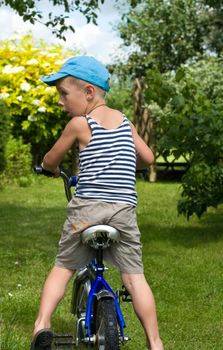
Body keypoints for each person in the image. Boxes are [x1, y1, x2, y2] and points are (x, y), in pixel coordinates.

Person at [30, 55, 164, 350]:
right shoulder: (126, 124)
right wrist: (130, 161)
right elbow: (148, 159)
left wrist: (50, 168)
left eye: (64, 94)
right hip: (123, 213)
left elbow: (51, 160)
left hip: (86, 211)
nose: (61, 102)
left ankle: (42, 324)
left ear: (88, 92)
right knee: (134, 277)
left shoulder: (80, 124)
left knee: (64, 265)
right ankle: (155, 343)